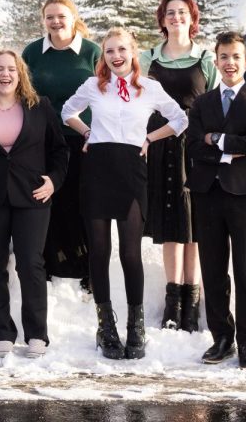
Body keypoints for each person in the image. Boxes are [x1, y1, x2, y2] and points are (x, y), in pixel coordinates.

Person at [62, 28, 187, 360]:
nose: (115, 56)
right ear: (102, 56)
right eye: (108, 51)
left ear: (133, 52)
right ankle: (106, 328)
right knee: (99, 252)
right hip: (97, 169)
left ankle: (136, 326)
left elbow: (180, 119)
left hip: (132, 169)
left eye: (121, 49)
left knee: (131, 253)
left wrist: (148, 139)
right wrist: (87, 130)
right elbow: (66, 112)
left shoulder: (150, 88)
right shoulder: (93, 86)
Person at [0, 50, 69, 359]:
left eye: (11, 69)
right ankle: (2, 330)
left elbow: (60, 150)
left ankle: (37, 333)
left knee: (30, 263)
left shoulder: (40, 108)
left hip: (32, 196)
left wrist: (53, 180)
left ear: (20, 73)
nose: (5, 74)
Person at [186, 31, 246, 369]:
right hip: (208, 194)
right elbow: (192, 146)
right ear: (216, 61)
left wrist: (216, 139)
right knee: (214, 270)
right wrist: (227, 149)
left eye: (236, 57)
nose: (230, 63)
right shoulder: (203, 103)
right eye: (224, 57)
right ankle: (222, 337)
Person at [139, 0, 218, 332]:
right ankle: (173, 296)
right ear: (162, 19)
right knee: (171, 220)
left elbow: (216, 102)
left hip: (195, 146)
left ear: (192, 18)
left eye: (182, 12)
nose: (175, 17)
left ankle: (193, 295)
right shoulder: (148, 59)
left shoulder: (206, 59)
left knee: (194, 221)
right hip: (159, 145)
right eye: (170, 13)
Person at [21, 0, 99, 292]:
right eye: (50, 16)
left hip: (83, 138)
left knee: (82, 202)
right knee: (48, 200)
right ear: (44, 20)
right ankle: (49, 265)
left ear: (72, 17)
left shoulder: (91, 51)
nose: (55, 21)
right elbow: (21, 91)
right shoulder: (33, 52)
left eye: (61, 16)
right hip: (43, 140)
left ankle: (87, 267)